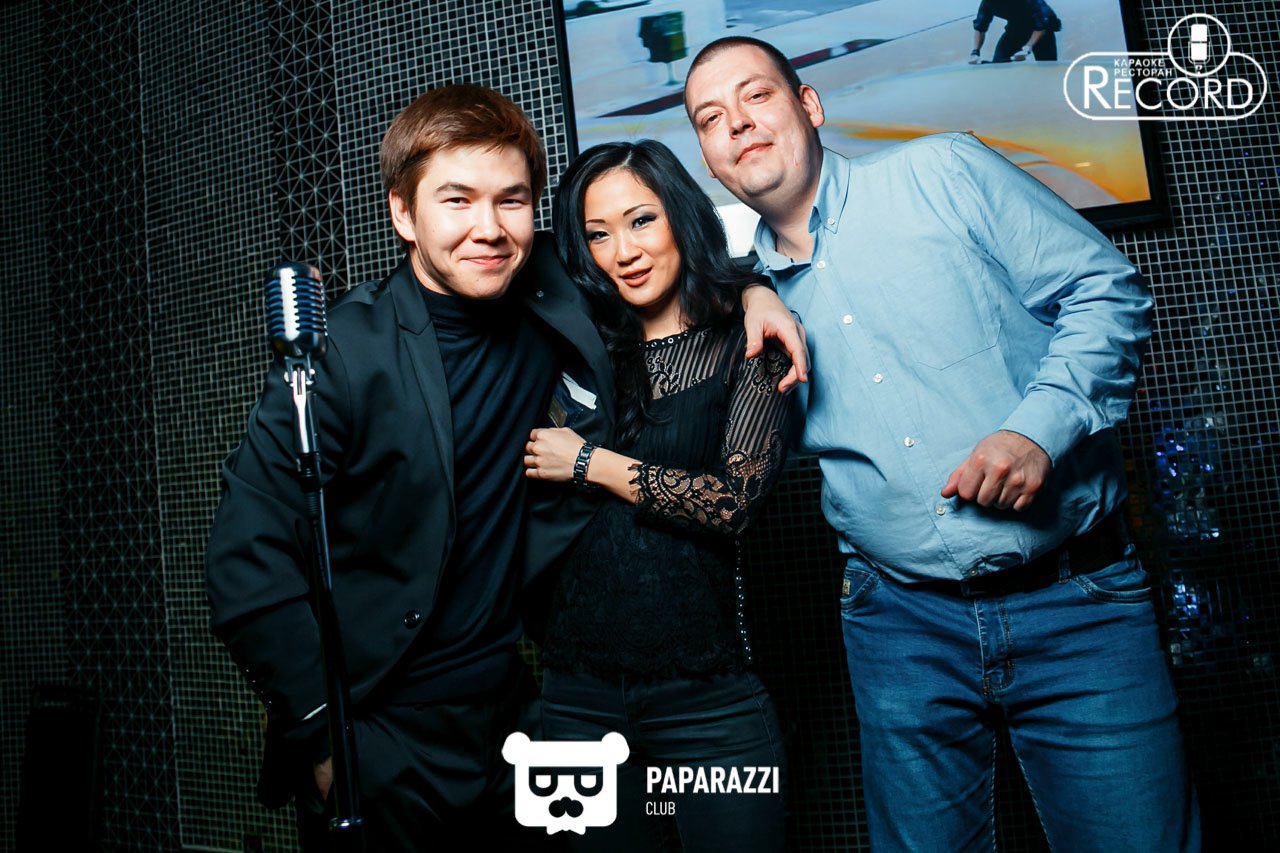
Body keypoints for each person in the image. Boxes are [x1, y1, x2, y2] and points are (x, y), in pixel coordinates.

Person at [204, 84, 804, 850]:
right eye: (457, 200)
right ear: (403, 214)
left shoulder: (551, 288)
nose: (487, 229)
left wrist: (757, 293)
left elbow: (669, 254)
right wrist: (321, 736)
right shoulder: (345, 354)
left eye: (511, 200)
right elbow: (244, 556)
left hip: (515, 718)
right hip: (381, 723)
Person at [683, 36, 1200, 852]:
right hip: (900, 628)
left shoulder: (944, 172)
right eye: (711, 118)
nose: (738, 124)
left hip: (1079, 607)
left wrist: (1038, 431)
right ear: (709, 161)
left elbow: (1107, 292)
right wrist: (748, 286)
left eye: (757, 96)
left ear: (810, 106)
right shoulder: (744, 304)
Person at [524, 140, 791, 852]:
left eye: (642, 220)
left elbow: (733, 503)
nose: (624, 252)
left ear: (681, 215)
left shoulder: (749, 343)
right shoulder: (575, 349)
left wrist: (590, 463)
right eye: (598, 234)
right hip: (575, 703)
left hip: (709, 706)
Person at [969, 0, 1062, 64]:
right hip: (1015, 28)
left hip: (1042, 29)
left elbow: (1042, 26)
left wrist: (1027, 48)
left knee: (1047, 66)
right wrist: (975, 53)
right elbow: (980, 28)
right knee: (999, 63)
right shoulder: (988, 3)